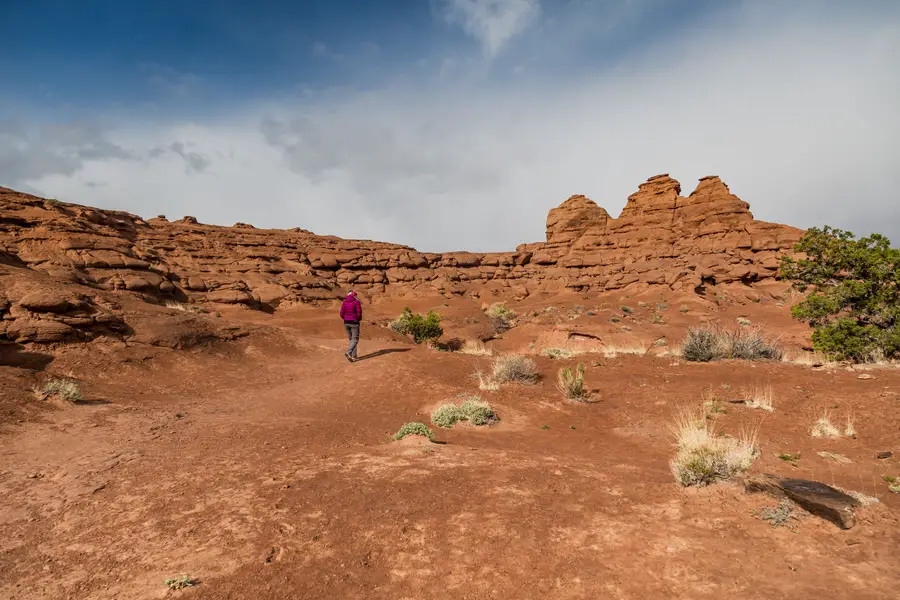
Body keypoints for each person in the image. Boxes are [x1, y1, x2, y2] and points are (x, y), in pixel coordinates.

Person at [339, 290, 362, 362]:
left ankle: (353, 356)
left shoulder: (345, 302)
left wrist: (345, 318)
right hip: (354, 322)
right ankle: (348, 352)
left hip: (346, 322)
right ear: (354, 295)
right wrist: (357, 319)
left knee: (351, 339)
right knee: (355, 339)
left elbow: (341, 313)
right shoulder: (356, 302)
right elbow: (359, 312)